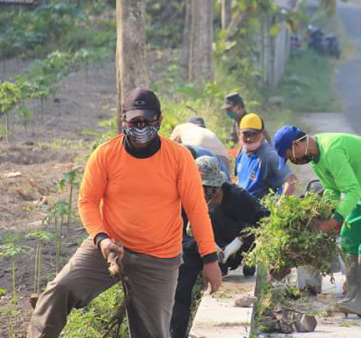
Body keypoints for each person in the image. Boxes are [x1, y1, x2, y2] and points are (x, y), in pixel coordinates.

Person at [27, 88, 222, 338]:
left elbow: (196, 210)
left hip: (159, 258)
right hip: (111, 248)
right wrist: (101, 239)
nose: (140, 127)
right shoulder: (106, 154)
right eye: (134, 121)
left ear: (159, 120)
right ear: (124, 121)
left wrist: (210, 259)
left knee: (153, 333)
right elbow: (87, 201)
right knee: (59, 289)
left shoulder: (178, 158)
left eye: (146, 121)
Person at [273, 126, 361, 318]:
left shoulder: (331, 151)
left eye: (290, 155)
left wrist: (335, 220)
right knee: (348, 237)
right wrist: (322, 212)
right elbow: (331, 189)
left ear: (297, 144)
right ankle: (353, 296)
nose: (293, 161)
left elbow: (351, 191)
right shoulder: (317, 159)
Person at [171, 156, 267, 338]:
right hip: (197, 247)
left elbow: (264, 220)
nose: (204, 193)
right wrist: (203, 245)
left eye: (208, 189)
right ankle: (176, 332)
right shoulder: (182, 198)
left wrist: (239, 242)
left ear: (218, 185)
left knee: (218, 218)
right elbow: (177, 233)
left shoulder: (237, 197)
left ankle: (237, 262)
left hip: (232, 249)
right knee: (181, 286)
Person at [235, 113, 297, 199]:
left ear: (263, 134)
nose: (250, 139)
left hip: (261, 208)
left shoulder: (268, 155)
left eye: (254, 134)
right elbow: (240, 180)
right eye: (246, 134)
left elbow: (292, 180)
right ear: (239, 133)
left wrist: (279, 206)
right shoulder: (241, 152)